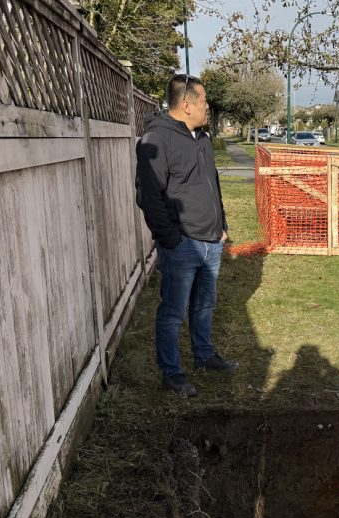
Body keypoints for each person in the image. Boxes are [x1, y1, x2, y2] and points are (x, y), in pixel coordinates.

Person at [136, 74, 239, 396]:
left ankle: (204, 355)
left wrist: (222, 226)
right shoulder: (156, 140)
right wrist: (171, 238)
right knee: (173, 312)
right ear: (186, 103)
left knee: (205, 305)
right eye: (204, 100)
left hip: (211, 240)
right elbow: (148, 196)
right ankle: (172, 372)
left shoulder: (202, 138)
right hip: (182, 243)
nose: (208, 106)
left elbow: (212, 184)